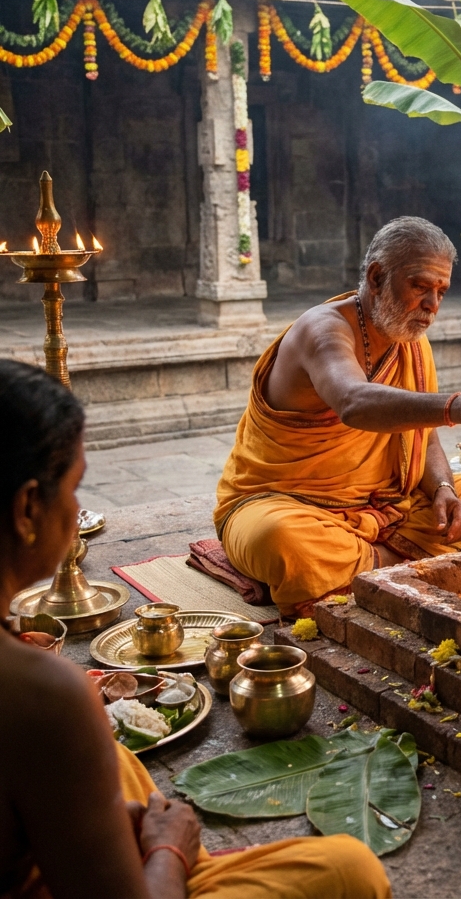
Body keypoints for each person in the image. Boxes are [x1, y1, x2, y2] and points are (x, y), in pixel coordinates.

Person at [0, 359, 390, 899]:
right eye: (74, 487)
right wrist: (169, 848)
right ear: (26, 508)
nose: (78, 508)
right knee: (351, 869)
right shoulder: (38, 692)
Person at [215, 217, 461, 617]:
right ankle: (401, 569)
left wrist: (444, 489)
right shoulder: (323, 330)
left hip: (385, 510)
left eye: (441, 292)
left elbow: (422, 437)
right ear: (377, 277)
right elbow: (354, 401)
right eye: (420, 286)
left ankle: (367, 568)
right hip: (286, 505)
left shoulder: (411, 344)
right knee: (284, 541)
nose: (432, 305)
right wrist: (457, 407)